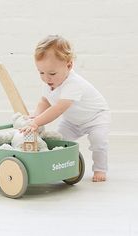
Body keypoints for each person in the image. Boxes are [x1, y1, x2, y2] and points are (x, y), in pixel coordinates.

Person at [20, 35, 111, 182]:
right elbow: (45, 101)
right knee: (60, 141)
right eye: (41, 72)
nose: (46, 78)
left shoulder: (73, 84)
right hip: (72, 122)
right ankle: (62, 166)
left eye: (52, 73)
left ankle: (100, 169)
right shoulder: (49, 83)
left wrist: (36, 122)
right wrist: (35, 117)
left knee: (98, 141)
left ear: (69, 66)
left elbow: (59, 108)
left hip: (96, 117)